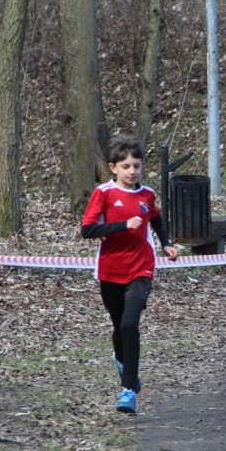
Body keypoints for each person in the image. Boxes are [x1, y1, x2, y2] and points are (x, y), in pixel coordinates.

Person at [81, 135, 179, 414]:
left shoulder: (147, 194)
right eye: (125, 166)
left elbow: (156, 217)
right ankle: (126, 367)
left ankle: (128, 392)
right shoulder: (104, 193)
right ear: (113, 168)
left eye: (136, 165)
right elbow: (87, 230)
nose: (132, 171)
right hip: (110, 270)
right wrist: (123, 224)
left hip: (141, 269)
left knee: (129, 324)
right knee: (118, 326)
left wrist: (167, 243)